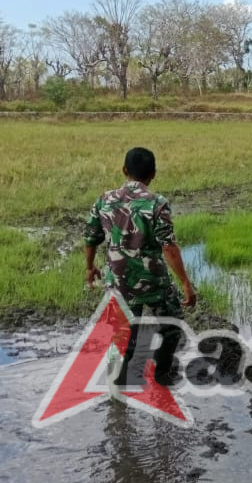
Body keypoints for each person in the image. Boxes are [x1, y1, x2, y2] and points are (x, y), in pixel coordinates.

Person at [83, 147, 197, 387]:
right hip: (153, 280)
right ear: (153, 174)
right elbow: (168, 246)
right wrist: (185, 282)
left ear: (124, 170)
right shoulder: (157, 203)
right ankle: (162, 374)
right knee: (171, 324)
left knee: (122, 334)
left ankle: (118, 387)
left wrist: (90, 267)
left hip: (119, 281)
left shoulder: (104, 200)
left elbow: (91, 238)